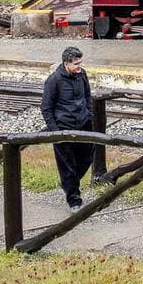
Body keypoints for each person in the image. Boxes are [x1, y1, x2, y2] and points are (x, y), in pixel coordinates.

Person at [40, 46, 95, 211]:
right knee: (67, 164)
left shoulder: (82, 75)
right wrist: (55, 131)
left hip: (84, 124)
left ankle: (69, 183)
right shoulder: (54, 80)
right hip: (64, 127)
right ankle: (74, 200)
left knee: (86, 158)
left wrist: (89, 113)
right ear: (66, 63)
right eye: (76, 63)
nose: (79, 66)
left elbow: (87, 95)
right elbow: (46, 107)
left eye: (80, 62)